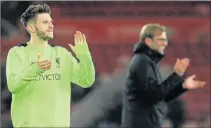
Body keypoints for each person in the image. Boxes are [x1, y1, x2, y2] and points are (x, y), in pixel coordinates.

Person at [6, 4, 95, 127]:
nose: (51, 25)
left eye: (51, 22)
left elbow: (86, 81)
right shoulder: (17, 53)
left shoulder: (62, 54)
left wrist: (84, 56)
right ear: (31, 28)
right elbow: (13, 86)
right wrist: (35, 70)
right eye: (45, 22)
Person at [121, 24, 205, 128]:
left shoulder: (151, 62)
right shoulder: (142, 63)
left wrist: (183, 86)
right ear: (148, 41)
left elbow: (163, 97)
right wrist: (176, 75)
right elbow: (154, 95)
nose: (164, 44)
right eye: (161, 40)